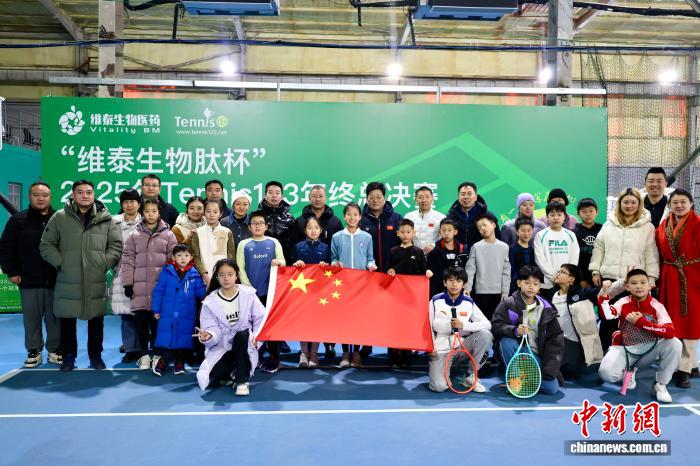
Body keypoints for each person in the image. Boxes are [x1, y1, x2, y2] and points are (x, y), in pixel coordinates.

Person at [40, 179, 122, 372]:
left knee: (96, 321)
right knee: (67, 320)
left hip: (95, 278)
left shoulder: (105, 218)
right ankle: (68, 356)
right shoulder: (60, 217)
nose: (85, 195)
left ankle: (96, 356)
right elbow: (46, 244)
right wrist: (61, 263)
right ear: (73, 195)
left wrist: (104, 263)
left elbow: (116, 245)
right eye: (80, 192)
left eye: (89, 192)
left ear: (94, 195)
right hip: (68, 278)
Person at [589, 188, 659, 351]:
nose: (629, 206)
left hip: (634, 282)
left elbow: (651, 253)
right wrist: (595, 270)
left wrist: (651, 278)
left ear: (639, 204)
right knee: (607, 318)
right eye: (626, 202)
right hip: (609, 280)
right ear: (620, 203)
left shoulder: (648, 227)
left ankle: (633, 355)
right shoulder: (608, 224)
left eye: (633, 202)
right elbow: (599, 248)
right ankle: (607, 354)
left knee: (631, 320)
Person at [598, 269, 682, 403]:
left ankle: (661, 385)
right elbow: (608, 315)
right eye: (634, 283)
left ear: (649, 286)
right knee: (606, 374)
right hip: (625, 347)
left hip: (649, 348)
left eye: (643, 282)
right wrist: (604, 294)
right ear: (627, 287)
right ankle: (628, 371)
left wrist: (642, 323)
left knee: (674, 343)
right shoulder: (623, 302)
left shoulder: (657, 306)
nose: (638, 286)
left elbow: (669, 331)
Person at [0, 181, 60, 368]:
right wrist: (12, 271)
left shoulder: (59, 219)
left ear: (50, 197)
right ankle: (34, 351)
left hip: (57, 280)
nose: (41, 198)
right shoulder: (17, 220)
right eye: (36, 195)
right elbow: (6, 247)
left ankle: (55, 350)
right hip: (28, 279)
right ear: (29, 197)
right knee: (31, 318)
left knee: (55, 318)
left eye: (45, 195)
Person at [195, 259, 266, 396]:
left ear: (236, 275)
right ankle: (231, 374)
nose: (226, 278)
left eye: (230, 274)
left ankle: (242, 381)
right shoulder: (210, 301)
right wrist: (209, 335)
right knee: (215, 372)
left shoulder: (248, 294)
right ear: (217, 277)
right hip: (222, 347)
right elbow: (211, 327)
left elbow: (260, 318)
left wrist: (257, 338)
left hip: (244, 345)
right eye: (221, 275)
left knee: (242, 335)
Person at [120, 199, 177, 370]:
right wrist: (128, 283)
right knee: (141, 324)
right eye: (147, 211)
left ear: (159, 213)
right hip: (140, 289)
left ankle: (158, 355)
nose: (150, 214)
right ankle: (143, 355)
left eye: (154, 211)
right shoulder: (134, 235)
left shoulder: (169, 235)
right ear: (142, 213)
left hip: (161, 290)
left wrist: (172, 285)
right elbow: (127, 260)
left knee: (159, 325)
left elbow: (173, 262)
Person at [491, 266, 564, 395]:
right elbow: (496, 326)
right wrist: (514, 331)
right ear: (519, 283)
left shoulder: (547, 308)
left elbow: (555, 341)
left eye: (535, 284)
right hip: (516, 349)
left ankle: (525, 376)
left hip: (536, 355)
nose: (531, 287)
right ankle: (515, 378)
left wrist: (549, 369)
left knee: (551, 389)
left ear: (539, 287)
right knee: (506, 342)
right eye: (527, 283)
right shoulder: (508, 304)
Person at [289, 184, 342, 358]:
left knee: (325, 315)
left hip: (323, 283)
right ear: (309, 198)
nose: (317, 199)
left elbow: (335, 250)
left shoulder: (335, 221)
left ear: (326, 198)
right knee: (304, 317)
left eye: (320, 196)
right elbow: (294, 251)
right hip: (303, 285)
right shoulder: (299, 221)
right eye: (314, 196)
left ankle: (327, 346)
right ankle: (305, 351)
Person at [656, 189, 700, 388]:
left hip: (693, 277)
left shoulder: (698, 224)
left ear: (691, 204)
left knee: (690, 321)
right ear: (669, 205)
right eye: (675, 202)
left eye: (683, 202)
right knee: (672, 321)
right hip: (670, 277)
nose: (679, 205)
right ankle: (686, 364)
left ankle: (684, 369)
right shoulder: (664, 225)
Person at [428, 266, 492, 393]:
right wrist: (430, 347)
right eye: (451, 280)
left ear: (464, 284)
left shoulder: (469, 302)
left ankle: (470, 375)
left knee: (485, 335)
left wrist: (464, 326)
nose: (454, 284)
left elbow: (487, 324)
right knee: (438, 387)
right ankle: (444, 372)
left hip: (461, 347)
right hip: (440, 350)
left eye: (458, 281)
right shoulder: (435, 300)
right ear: (445, 282)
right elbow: (428, 326)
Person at [236, 210, 285, 372]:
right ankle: (256, 358)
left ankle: (274, 358)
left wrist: (278, 262)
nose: (257, 226)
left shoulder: (274, 242)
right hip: (250, 294)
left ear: (266, 226)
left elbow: (283, 263)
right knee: (252, 327)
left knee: (270, 326)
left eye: (260, 223)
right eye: (254, 223)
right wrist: (249, 289)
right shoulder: (243, 244)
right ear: (249, 227)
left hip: (270, 293)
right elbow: (240, 268)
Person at [331, 202, 377, 368]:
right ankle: (345, 353)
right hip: (342, 284)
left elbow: (370, 258)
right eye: (349, 214)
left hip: (361, 285)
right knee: (343, 318)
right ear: (344, 216)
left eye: (355, 214)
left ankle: (356, 353)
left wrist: (371, 265)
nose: (352, 217)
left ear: (360, 217)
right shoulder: (337, 237)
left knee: (358, 319)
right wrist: (335, 264)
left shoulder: (366, 237)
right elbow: (333, 258)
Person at [151, 244, 207, 376]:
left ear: (191, 257)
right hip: (168, 313)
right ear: (173, 257)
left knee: (183, 338)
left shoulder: (195, 274)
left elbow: (200, 293)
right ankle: (163, 361)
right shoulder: (167, 272)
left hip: (186, 313)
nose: (183, 258)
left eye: (186, 255)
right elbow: (159, 291)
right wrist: (156, 309)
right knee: (168, 337)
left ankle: (179, 362)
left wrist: (208, 290)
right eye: (179, 255)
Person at [386, 218, 433, 368]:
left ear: (413, 233)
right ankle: (394, 356)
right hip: (395, 296)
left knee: (409, 324)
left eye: (408, 232)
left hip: (412, 297)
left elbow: (424, 270)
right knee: (394, 324)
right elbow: (387, 269)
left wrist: (428, 273)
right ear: (397, 233)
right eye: (402, 232)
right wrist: (390, 271)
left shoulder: (418, 252)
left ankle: (407, 355)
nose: (405, 234)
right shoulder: (393, 251)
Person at [550, 264, 604, 380]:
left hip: (572, 342)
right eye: (559, 271)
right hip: (555, 339)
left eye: (563, 272)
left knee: (573, 372)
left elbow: (601, 291)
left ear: (571, 279)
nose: (558, 273)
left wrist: (621, 282)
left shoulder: (580, 294)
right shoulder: (552, 294)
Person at [291, 216, 331, 368]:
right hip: (302, 291)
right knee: (303, 321)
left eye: (316, 228)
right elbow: (290, 268)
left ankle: (314, 353)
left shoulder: (325, 248)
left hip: (320, 291)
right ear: (304, 230)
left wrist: (326, 265)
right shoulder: (298, 247)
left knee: (316, 322)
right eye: (309, 228)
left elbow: (331, 269)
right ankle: (303, 353)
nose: (313, 231)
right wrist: (296, 264)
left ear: (321, 230)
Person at [109, 188, 142, 363]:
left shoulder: (147, 221)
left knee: (143, 313)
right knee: (126, 313)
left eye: (132, 201)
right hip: (121, 273)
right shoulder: (113, 222)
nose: (129, 205)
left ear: (139, 204)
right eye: (125, 202)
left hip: (143, 273)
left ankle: (143, 348)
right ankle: (130, 348)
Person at [465, 213, 510, 321]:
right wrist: (467, 288)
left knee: (497, 321)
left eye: (484, 225)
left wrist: (505, 292)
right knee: (482, 321)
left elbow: (506, 271)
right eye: (479, 227)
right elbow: (470, 269)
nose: (482, 229)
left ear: (493, 225)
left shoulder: (504, 247)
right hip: (481, 292)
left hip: (499, 292)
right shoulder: (476, 247)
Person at [534, 202, 580, 300]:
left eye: (559, 215)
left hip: (567, 283)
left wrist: (566, 276)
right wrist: (554, 277)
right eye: (552, 215)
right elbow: (539, 259)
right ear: (547, 217)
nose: (556, 218)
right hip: (548, 284)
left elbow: (574, 257)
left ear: (564, 217)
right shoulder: (541, 235)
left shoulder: (571, 235)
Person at [191, 199, 236, 287]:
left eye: (215, 212)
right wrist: (204, 275)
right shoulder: (198, 232)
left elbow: (231, 257)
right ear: (204, 213)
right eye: (208, 211)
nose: (211, 215)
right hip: (203, 279)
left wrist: (226, 275)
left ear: (221, 214)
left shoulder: (227, 232)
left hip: (224, 279)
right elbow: (196, 257)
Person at [360, 181, 402, 272]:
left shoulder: (396, 218)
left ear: (384, 198)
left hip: (392, 271)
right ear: (367, 199)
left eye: (379, 197)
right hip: (367, 271)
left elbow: (404, 243)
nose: (375, 201)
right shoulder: (360, 220)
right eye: (371, 197)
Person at [446, 181, 497, 254]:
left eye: (469, 194)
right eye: (463, 194)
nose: (466, 197)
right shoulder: (450, 217)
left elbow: (497, 239)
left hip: (482, 255)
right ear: (458, 197)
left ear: (476, 197)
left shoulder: (488, 216)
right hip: (456, 256)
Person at [426, 219, 468, 298]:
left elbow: (466, 272)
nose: (446, 233)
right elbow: (430, 274)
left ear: (455, 232)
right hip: (438, 292)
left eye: (449, 230)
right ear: (440, 232)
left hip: (458, 292)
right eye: (443, 230)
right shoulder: (434, 252)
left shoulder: (463, 251)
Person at [257, 181, 295, 262]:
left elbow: (293, 243)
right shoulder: (256, 216)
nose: (274, 196)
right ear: (265, 195)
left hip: (284, 260)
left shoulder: (289, 218)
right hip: (260, 258)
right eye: (270, 192)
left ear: (282, 196)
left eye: (277, 193)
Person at [404, 186, 445, 253]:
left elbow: (444, 238)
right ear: (415, 199)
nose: (424, 200)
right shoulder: (408, 217)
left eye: (427, 197)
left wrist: (433, 246)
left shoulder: (441, 217)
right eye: (420, 197)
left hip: (433, 254)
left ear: (432, 198)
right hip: (412, 254)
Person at [573, 198, 602, 288]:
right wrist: (581, 279)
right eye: (584, 211)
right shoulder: (574, 233)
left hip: (601, 275)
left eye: (591, 211)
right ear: (578, 214)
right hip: (581, 276)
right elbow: (574, 258)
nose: (588, 214)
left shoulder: (603, 230)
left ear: (596, 212)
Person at [508, 217, 536, 294]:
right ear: (517, 231)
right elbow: (511, 270)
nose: (526, 234)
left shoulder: (532, 249)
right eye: (523, 231)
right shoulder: (513, 249)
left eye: (529, 230)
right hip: (516, 287)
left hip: (530, 287)